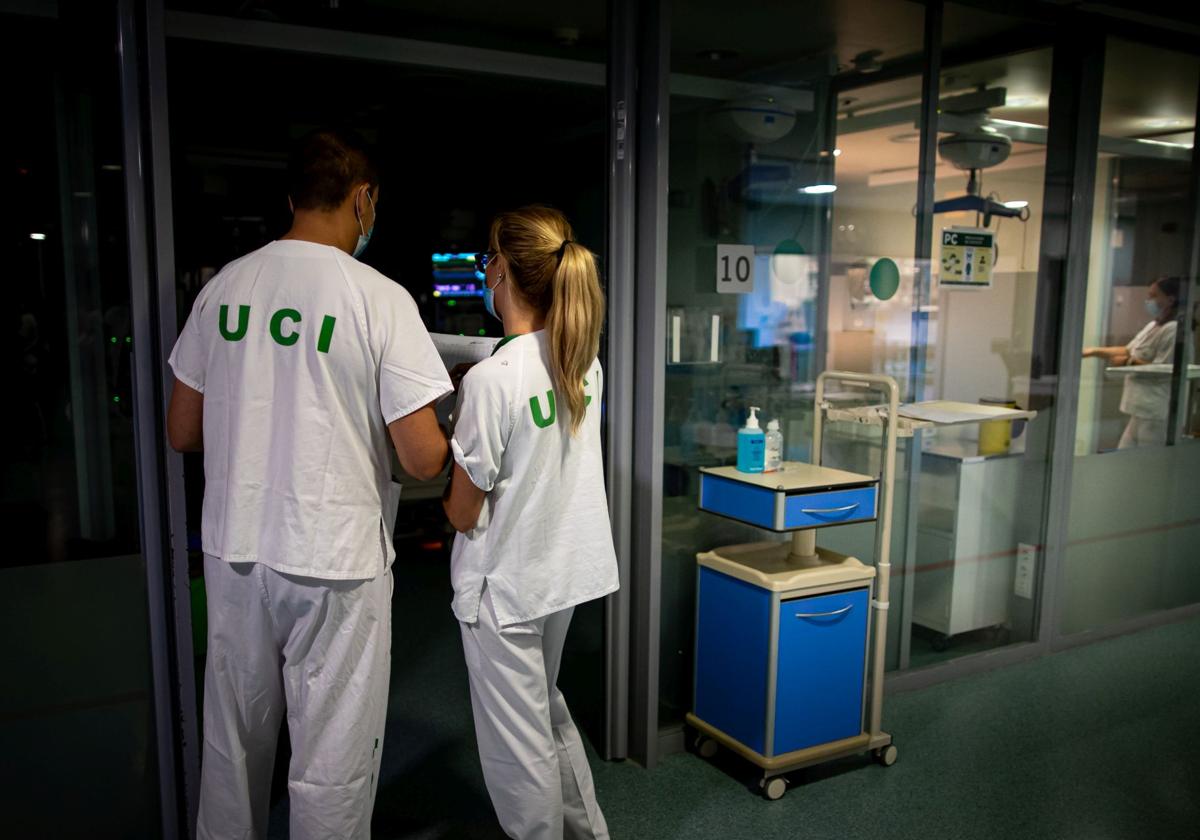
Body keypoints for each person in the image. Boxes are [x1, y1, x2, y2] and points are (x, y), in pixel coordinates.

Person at [167, 127, 453, 840]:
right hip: (335, 560)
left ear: (292, 197)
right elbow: (421, 460)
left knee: (232, 741)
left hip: (235, 551)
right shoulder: (379, 299)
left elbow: (181, 430)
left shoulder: (225, 288)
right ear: (363, 200)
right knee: (331, 760)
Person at [443, 206, 618, 839]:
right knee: (546, 717)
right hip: (558, 578)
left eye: (487, 258)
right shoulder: (581, 361)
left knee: (517, 756)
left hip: (506, 591)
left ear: (501, 269)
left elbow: (463, 512)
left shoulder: (492, 383)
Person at [1084, 276, 1181, 449]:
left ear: (1170, 300)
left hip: (1154, 412)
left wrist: (1128, 362)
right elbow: (1128, 350)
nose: (1148, 301)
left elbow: (1163, 369)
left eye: (1153, 296)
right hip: (1138, 410)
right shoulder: (1153, 326)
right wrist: (1092, 351)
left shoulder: (1173, 329)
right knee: (1124, 455)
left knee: (1148, 464)